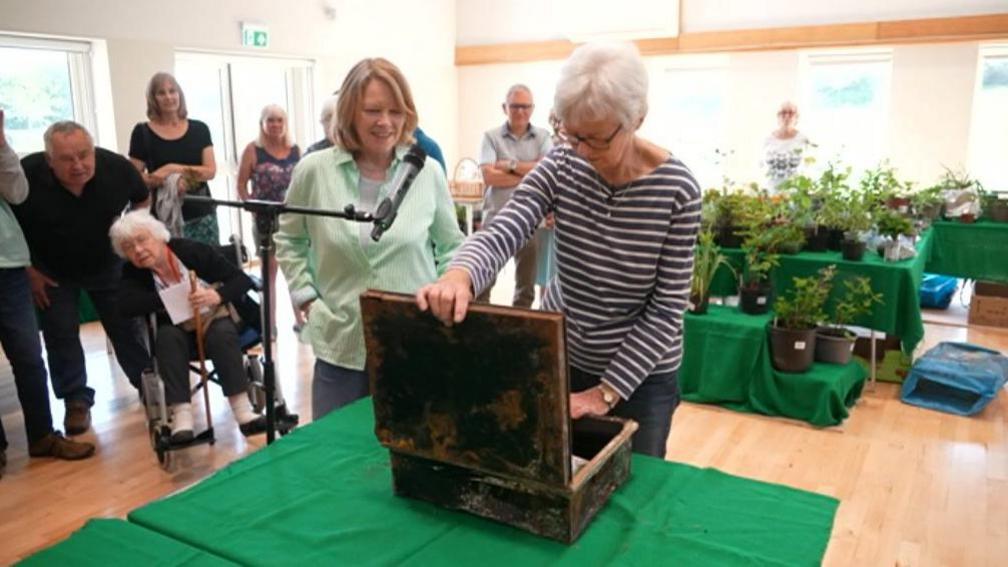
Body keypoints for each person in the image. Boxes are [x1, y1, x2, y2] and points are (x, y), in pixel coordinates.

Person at [416, 42, 702, 458]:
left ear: (637, 118)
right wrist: (460, 273)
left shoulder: (678, 191)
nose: (581, 151)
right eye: (571, 134)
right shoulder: (563, 161)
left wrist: (604, 394)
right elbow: (507, 228)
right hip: (565, 352)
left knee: (633, 492)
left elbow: (665, 311)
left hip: (641, 378)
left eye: (596, 140)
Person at [275, 57, 465, 420]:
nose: (385, 122)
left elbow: (452, 246)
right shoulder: (314, 171)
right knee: (337, 459)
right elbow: (289, 239)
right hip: (339, 343)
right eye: (373, 110)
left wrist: (447, 291)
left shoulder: (427, 173)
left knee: (412, 456)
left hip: (413, 344)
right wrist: (307, 297)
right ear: (349, 112)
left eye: (395, 111)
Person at [14, 121, 152, 436]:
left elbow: (142, 199)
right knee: (60, 335)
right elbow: (7, 227)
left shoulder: (116, 167)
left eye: (84, 154)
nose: (78, 165)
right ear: (50, 161)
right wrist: (30, 271)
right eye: (66, 159)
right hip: (50, 270)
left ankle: (147, 383)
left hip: (107, 262)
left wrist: (131, 233)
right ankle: (76, 400)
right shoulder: (28, 174)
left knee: (126, 326)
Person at [111, 211, 267, 442]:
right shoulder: (133, 272)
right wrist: (169, 299)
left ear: (159, 236)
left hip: (214, 318)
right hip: (176, 330)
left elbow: (241, 280)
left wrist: (216, 295)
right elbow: (125, 306)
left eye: (142, 240)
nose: (138, 250)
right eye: (129, 247)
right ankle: (182, 417)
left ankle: (243, 412)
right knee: (167, 338)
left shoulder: (191, 251)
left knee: (222, 334)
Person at [0, 110, 94, 475]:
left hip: (7, 264)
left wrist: (2, 144)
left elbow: (17, 192)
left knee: (28, 355)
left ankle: (41, 435)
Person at [476, 84, 553, 307]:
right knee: (484, 283)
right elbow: (488, 176)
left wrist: (509, 165)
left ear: (533, 108)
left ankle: (519, 335)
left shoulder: (543, 137)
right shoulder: (490, 137)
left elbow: (546, 170)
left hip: (531, 224)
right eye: (515, 106)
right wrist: (530, 174)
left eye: (525, 106)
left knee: (525, 289)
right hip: (496, 222)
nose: (520, 111)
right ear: (505, 107)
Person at [128, 72, 219, 245]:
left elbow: (210, 171)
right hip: (161, 217)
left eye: (172, 91)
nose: (168, 97)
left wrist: (171, 169)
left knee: (208, 268)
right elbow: (134, 176)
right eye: (161, 93)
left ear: (180, 94)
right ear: (153, 99)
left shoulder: (200, 129)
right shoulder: (142, 132)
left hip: (201, 214)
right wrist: (159, 181)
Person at [236, 104, 303, 335]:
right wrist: (251, 207)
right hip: (265, 219)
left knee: (294, 269)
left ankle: (301, 321)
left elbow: (302, 182)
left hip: (291, 218)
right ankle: (269, 327)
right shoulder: (253, 150)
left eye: (279, 120)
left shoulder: (295, 150)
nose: (275, 125)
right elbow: (241, 184)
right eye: (270, 120)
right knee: (269, 273)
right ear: (262, 124)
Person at [763, 101, 811, 192]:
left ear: (797, 117)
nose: (787, 116)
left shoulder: (804, 139)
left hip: (796, 193)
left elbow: (809, 167)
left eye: (791, 113)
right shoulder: (767, 140)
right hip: (771, 191)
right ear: (777, 117)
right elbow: (761, 167)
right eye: (783, 113)